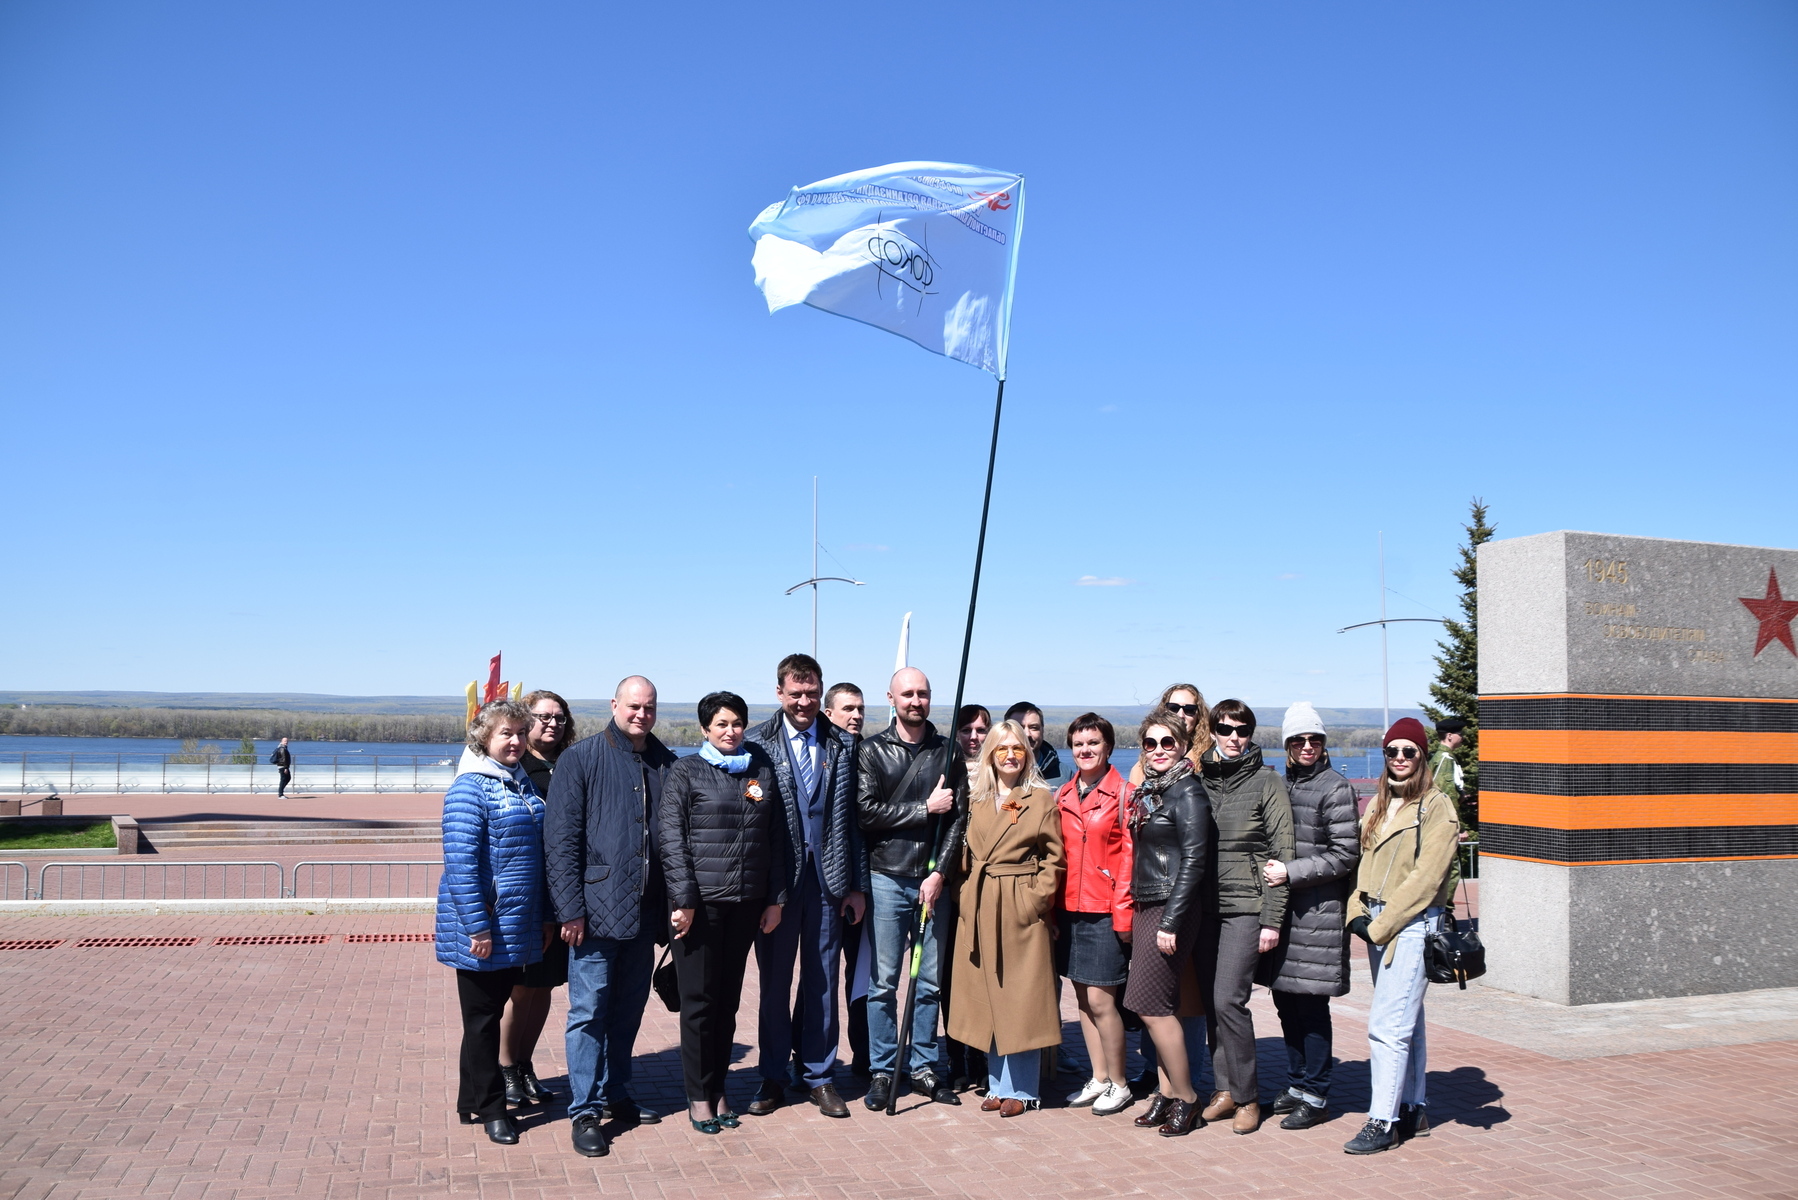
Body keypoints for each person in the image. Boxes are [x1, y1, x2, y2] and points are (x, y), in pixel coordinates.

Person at [545, 676, 677, 1159]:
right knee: (588, 1012)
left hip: (646, 913)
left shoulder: (667, 763)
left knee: (627, 1010)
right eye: (633, 706)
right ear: (614, 705)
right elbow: (560, 843)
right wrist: (570, 910)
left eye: (648, 707)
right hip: (594, 914)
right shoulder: (580, 759)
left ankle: (616, 1090)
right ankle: (584, 1109)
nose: (641, 714)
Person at [745, 655, 867, 1120]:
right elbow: (750, 802)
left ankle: (819, 1075)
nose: (804, 701)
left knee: (822, 981)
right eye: (795, 693)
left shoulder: (841, 743)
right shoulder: (757, 742)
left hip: (828, 882)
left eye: (812, 693)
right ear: (779, 693)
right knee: (775, 984)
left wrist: (855, 884)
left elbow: (853, 821)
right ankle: (774, 1076)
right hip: (778, 885)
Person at [660, 691, 787, 1134]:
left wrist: (775, 899)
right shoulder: (686, 771)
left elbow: (778, 840)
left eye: (737, 723)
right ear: (704, 730)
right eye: (721, 724)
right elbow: (671, 840)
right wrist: (684, 900)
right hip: (701, 909)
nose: (731, 731)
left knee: (728, 1004)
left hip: (747, 905)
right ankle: (698, 1096)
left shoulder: (760, 771)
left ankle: (718, 1090)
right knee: (699, 1005)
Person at [435, 700, 554, 1146]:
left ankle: (471, 1099)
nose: (517, 741)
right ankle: (492, 1110)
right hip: (484, 926)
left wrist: (543, 916)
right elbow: (461, 864)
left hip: (517, 923)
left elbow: (536, 863)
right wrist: (477, 926)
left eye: (522, 733)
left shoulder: (520, 785)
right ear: (484, 738)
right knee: (483, 1019)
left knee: (485, 1016)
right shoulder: (470, 789)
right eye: (507, 733)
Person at [1342, 717, 1460, 1155]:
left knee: (1386, 1026)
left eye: (1409, 752)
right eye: (1393, 751)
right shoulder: (1377, 803)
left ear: (1422, 757)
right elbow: (1364, 865)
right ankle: (1412, 1107)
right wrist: (1357, 910)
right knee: (1409, 1021)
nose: (1400, 759)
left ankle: (1382, 1121)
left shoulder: (1437, 806)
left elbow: (1428, 880)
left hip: (1410, 927)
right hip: (1377, 922)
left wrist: (1381, 925)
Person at [856, 666, 965, 1111]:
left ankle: (922, 1066)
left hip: (932, 882)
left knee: (929, 984)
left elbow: (959, 819)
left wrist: (940, 873)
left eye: (922, 694)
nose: (915, 701)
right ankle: (882, 1069)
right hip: (887, 878)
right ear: (892, 698)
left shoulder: (948, 750)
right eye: (907, 694)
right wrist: (924, 808)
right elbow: (866, 813)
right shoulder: (871, 752)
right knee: (884, 982)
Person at [945, 720, 1065, 1117]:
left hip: (1019, 908)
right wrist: (964, 894)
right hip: (980, 906)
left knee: (1021, 1000)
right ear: (990, 755)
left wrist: (1034, 903)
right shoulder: (977, 798)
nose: (1010, 755)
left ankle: (1024, 1090)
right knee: (990, 999)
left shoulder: (1039, 798)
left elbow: (1054, 859)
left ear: (1027, 754)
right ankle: (998, 1085)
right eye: (1002, 749)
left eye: (1017, 749)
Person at [1257, 702, 1360, 1129]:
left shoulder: (1335, 787)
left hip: (1318, 916)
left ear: (1322, 743)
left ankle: (1316, 1095)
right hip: (1287, 915)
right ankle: (1298, 1083)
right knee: (1287, 1004)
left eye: (1314, 739)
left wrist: (1290, 873)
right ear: (1286, 744)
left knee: (1312, 1010)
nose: (1306, 746)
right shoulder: (1284, 784)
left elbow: (1344, 855)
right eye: (1297, 740)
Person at [1195, 699, 1294, 1135]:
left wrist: (1272, 919)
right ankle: (1224, 1090)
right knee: (1211, 1004)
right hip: (1206, 909)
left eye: (1242, 729)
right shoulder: (1200, 779)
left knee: (1228, 1001)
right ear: (1213, 730)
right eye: (1226, 728)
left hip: (1247, 908)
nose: (1234, 737)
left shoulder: (1267, 782)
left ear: (1252, 733)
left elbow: (1282, 853)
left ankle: (1250, 1097)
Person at [1123, 710, 1210, 1137]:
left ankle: (1188, 1098)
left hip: (1169, 908)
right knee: (1152, 1005)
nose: (1158, 751)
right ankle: (1166, 1092)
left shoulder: (1188, 793)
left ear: (1182, 746)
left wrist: (1171, 921)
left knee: (1153, 1007)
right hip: (1147, 904)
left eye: (1167, 743)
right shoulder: (1154, 790)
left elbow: (1194, 861)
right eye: (1151, 744)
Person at [497, 690, 577, 1109]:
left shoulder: (572, 762)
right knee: (520, 988)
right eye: (543, 716)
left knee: (545, 985)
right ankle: (505, 1067)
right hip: (528, 895)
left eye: (559, 717)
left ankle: (525, 1065)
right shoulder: (513, 768)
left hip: (563, 895)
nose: (552, 724)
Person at [1054, 713, 1134, 1116]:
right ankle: (1098, 1077)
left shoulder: (1124, 795)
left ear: (1108, 748)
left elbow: (1130, 861)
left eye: (1093, 743)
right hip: (1071, 910)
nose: (1085, 750)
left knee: (1104, 1003)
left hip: (1106, 911)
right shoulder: (1063, 795)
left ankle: (1120, 1082)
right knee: (1082, 1001)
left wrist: (1123, 917)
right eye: (1079, 744)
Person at [822, 681, 871, 1077]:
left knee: (861, 978)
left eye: (860, 709)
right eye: (847, 709)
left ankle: (865, 1056)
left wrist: (859, 887)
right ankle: (808, 1056)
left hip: (858, 890)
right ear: (828, 713)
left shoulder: (867, 755)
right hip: (819, 890)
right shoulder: (818, 756)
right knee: (817, 979)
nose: (856, 716)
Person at [943, 701, 992, 1093]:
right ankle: (956, 1056)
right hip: (952, 886)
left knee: (980, 975)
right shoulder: (945, 769)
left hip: (988, 889)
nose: (974, 737)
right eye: (966, 730)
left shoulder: (999, 774)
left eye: (981, 730)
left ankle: (981, 1055)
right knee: (949, 977)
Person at [1127, 684, 1212, 786]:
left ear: (1199, 715)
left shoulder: (1210, 759)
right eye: (1173, 708)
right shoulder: (1140, 770)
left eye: (1189, 709)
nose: (1181, 715)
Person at [1004, 701, 1062, 783]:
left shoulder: (1064, 776)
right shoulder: (992, 775)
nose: (1027, 734)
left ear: (1042, 730)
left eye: (1034, 727)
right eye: (1019, 728)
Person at [1430, 718, 1466, 806]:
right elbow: (1446, 792)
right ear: (1449, 736)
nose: (1462, 738)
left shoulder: (1442, 755)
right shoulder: (1446, 759)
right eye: (1460, 734)